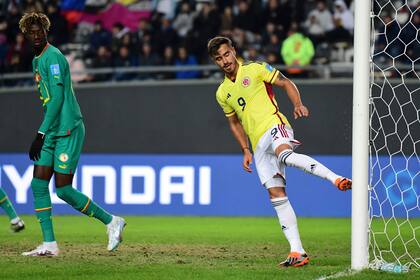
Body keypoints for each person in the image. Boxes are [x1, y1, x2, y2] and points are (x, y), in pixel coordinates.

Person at [208, 36, 351, 267]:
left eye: (226, 54)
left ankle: (335, 179)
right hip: (257, 145)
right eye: (218, 58)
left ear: (233, 51)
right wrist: (245, 149)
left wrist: (297, 104)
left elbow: (285, 82)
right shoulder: (222, 92)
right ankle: (298, 252)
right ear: (215, 62)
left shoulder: (256, 69)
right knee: (277, 196)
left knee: (285, 154)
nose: (224, 61)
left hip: (275, 125)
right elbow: (234, 123)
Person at [18, 12, 126, 257]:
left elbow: (56, 99)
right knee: (38, 184)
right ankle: (49, 244)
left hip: (67, 128)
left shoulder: (53, 57)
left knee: (64, 190)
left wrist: (40, 132)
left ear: (46, 31)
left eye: (39, 31)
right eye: (31, 32)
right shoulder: (38, 60)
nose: (36, 36)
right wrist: (45, 131)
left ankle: (111, 221)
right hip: (52, 129)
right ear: (25, 35)